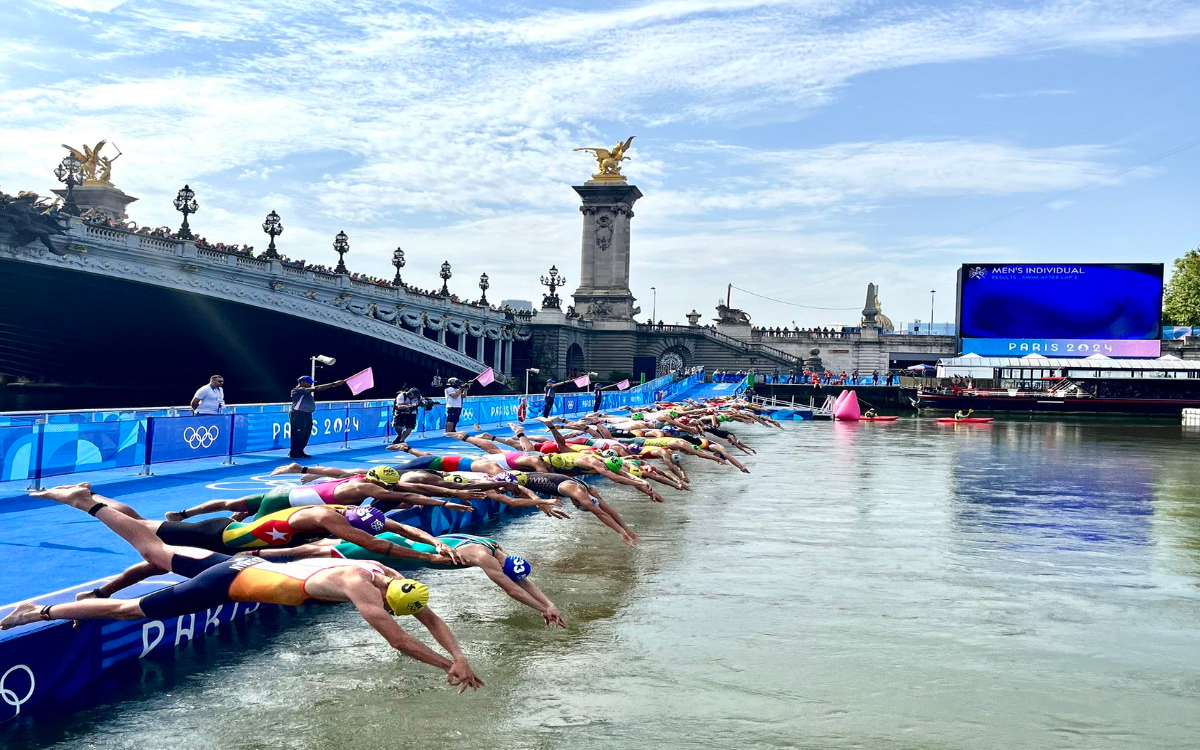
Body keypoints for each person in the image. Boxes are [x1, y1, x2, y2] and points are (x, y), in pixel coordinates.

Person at [2, 484, 484, 691]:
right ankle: (35, 612)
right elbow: (401, 641)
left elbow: (428, 616)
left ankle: (89, 504)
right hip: (230, 581)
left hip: (246, 561)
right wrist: (448, 665)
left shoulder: (388, 578)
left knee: (153, 551)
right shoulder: (365, 592)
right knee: (129, 610)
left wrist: (458, 654)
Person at [289, 375, 345, 459]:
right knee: (298, 434)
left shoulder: (306, 392)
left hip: (307, 414)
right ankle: (294, 453)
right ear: (302, 383)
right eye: (309, 383)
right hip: (298, 414)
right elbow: (317, 388)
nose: (311, 384)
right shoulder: (297, 390)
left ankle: (300, 450)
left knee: (306, 433)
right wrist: (334, 384)